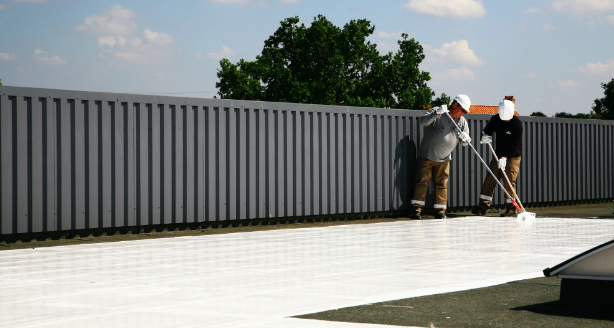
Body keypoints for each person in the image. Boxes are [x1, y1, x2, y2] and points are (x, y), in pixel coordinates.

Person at [410, 95, 472, 220]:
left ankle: (440, 211)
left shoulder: (462, 122)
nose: (463, 113)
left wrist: (466, 139)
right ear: (455, 105)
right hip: (427, 155)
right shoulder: (438, 111)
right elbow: (423, 121)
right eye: (462, 110)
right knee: (422, 181)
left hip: (444, 158)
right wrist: (436, 114)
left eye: (465, 112)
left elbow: (465, 143)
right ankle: (416, 210)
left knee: (441, 184)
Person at [471, 99, 523, 217]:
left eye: (507, 118)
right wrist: (483, 137)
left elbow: (516, 145)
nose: (506, 120)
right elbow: (486, 131)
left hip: (513, 156)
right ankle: (482, 206)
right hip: (498, 154)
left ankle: (512, 209)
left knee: (509, 181)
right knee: (491, 178)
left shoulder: (517, 124)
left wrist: (506, 158)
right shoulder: (495, 119)